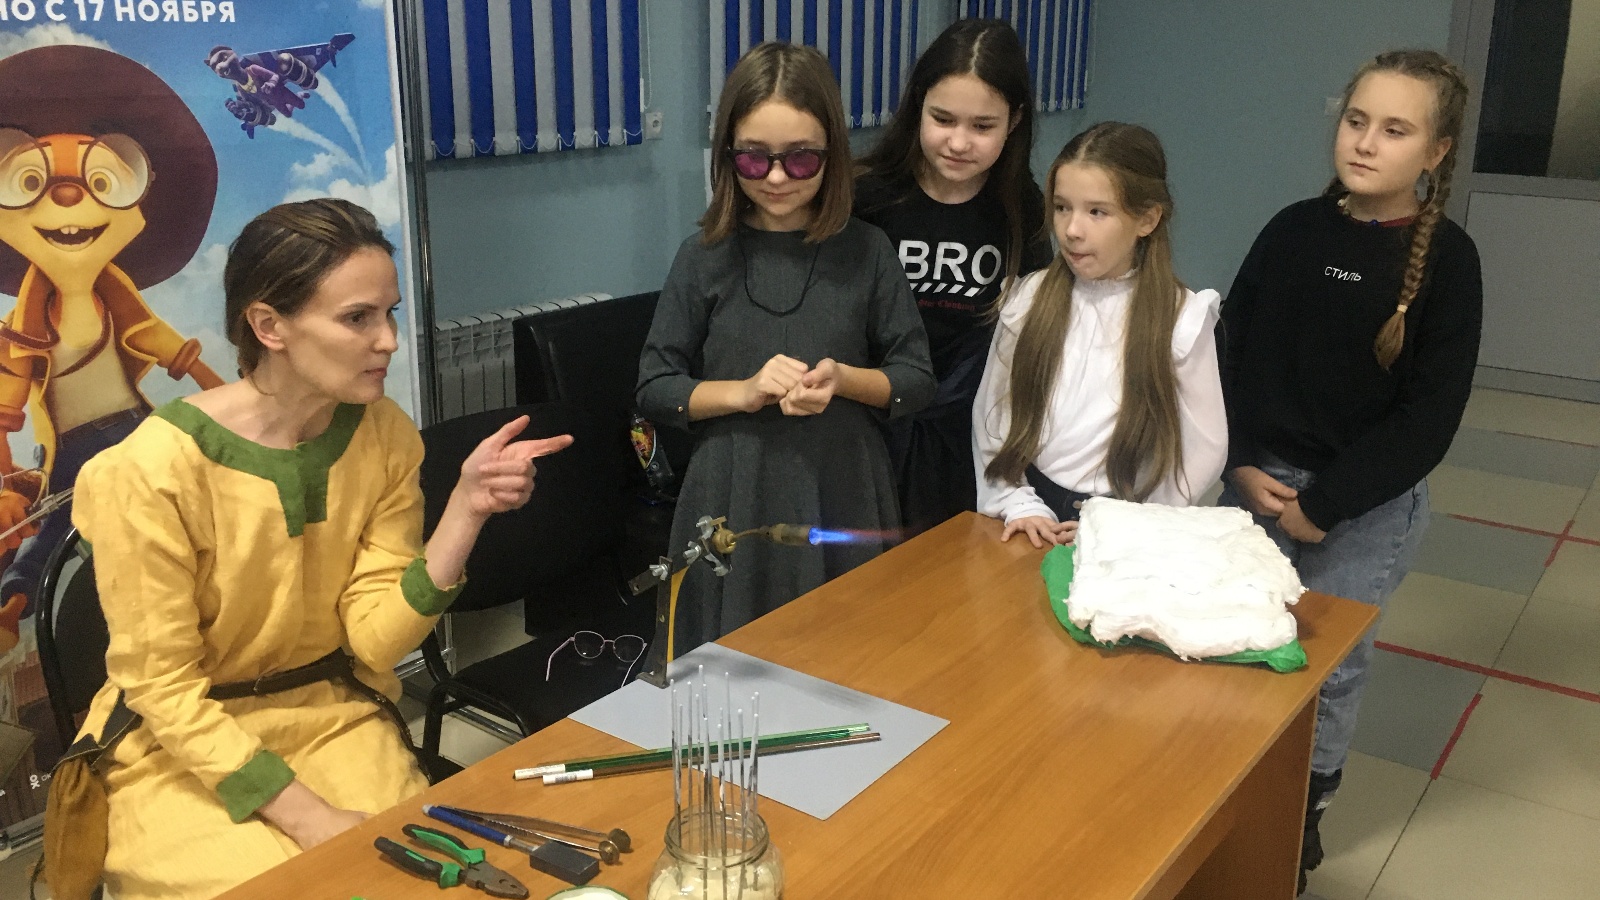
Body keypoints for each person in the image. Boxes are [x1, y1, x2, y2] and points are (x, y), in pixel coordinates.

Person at [48, 198, 571, 900]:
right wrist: (309, 816)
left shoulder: (382, 433)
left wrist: (465, 511)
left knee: (408, 883)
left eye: (389, 313)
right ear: (269, 326)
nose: (389, 341)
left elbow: (375, 642)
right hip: (181, 741)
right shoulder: (149, 472)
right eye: (358, 318)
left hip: (331, 712)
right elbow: (163, 689)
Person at [1217, 50, 1480, 894]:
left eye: (1395, 130)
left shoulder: (1450, 263)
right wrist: (1239, 458)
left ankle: (1303, 811)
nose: (1365, 143)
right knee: (1241, 642)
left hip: (1362, 508)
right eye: (1356, 121)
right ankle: (1231, 793)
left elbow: (1428, 419)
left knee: (1328, 666)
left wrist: (1326, 505)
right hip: (1255, 485)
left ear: (1436, 151)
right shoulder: (1293, 230)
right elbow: (1230, 354)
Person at [636, 42, 934, 649]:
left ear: (832, 155)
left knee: (849, 656)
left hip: (843, 486)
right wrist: (743, 393)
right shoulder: (702, 257)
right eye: (753, 159)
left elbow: (916, 379)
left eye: (801, 160)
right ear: (727, 154)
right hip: (733, 489)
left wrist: (844, 380)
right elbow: (655, 386)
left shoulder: (868, 251)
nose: (775, 178)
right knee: (730, 664)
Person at [973, 122, 1227, 548]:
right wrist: (1017, 501)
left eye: (1097, 212)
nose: (1072, 229)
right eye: (1062, 207)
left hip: (1126, 525)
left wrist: (1129, 524)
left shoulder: (1180, 317)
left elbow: (1202, 450)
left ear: (1147, 219)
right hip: (1031, 516)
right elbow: (992, 415)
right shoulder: (1030, 298)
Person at [854, 18, 1051, 536]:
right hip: (872, 426)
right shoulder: (867, 197)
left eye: (982, 126)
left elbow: (1034, 336)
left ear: (1014, 121)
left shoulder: (1023, 209)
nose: (959, 142)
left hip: (972, 436)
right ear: (917, 106)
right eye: (943, 119)